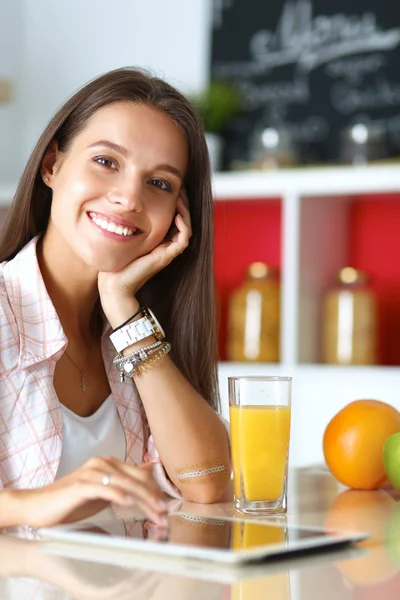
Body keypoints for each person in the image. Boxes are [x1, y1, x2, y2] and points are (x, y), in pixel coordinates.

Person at [0, 67, 231, 530]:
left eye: (160, 184)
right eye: (106, 161)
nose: (128, 198)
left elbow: (205, 483)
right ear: (52, 165)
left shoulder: (133, 334)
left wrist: (124, 310)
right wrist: (34, 505)